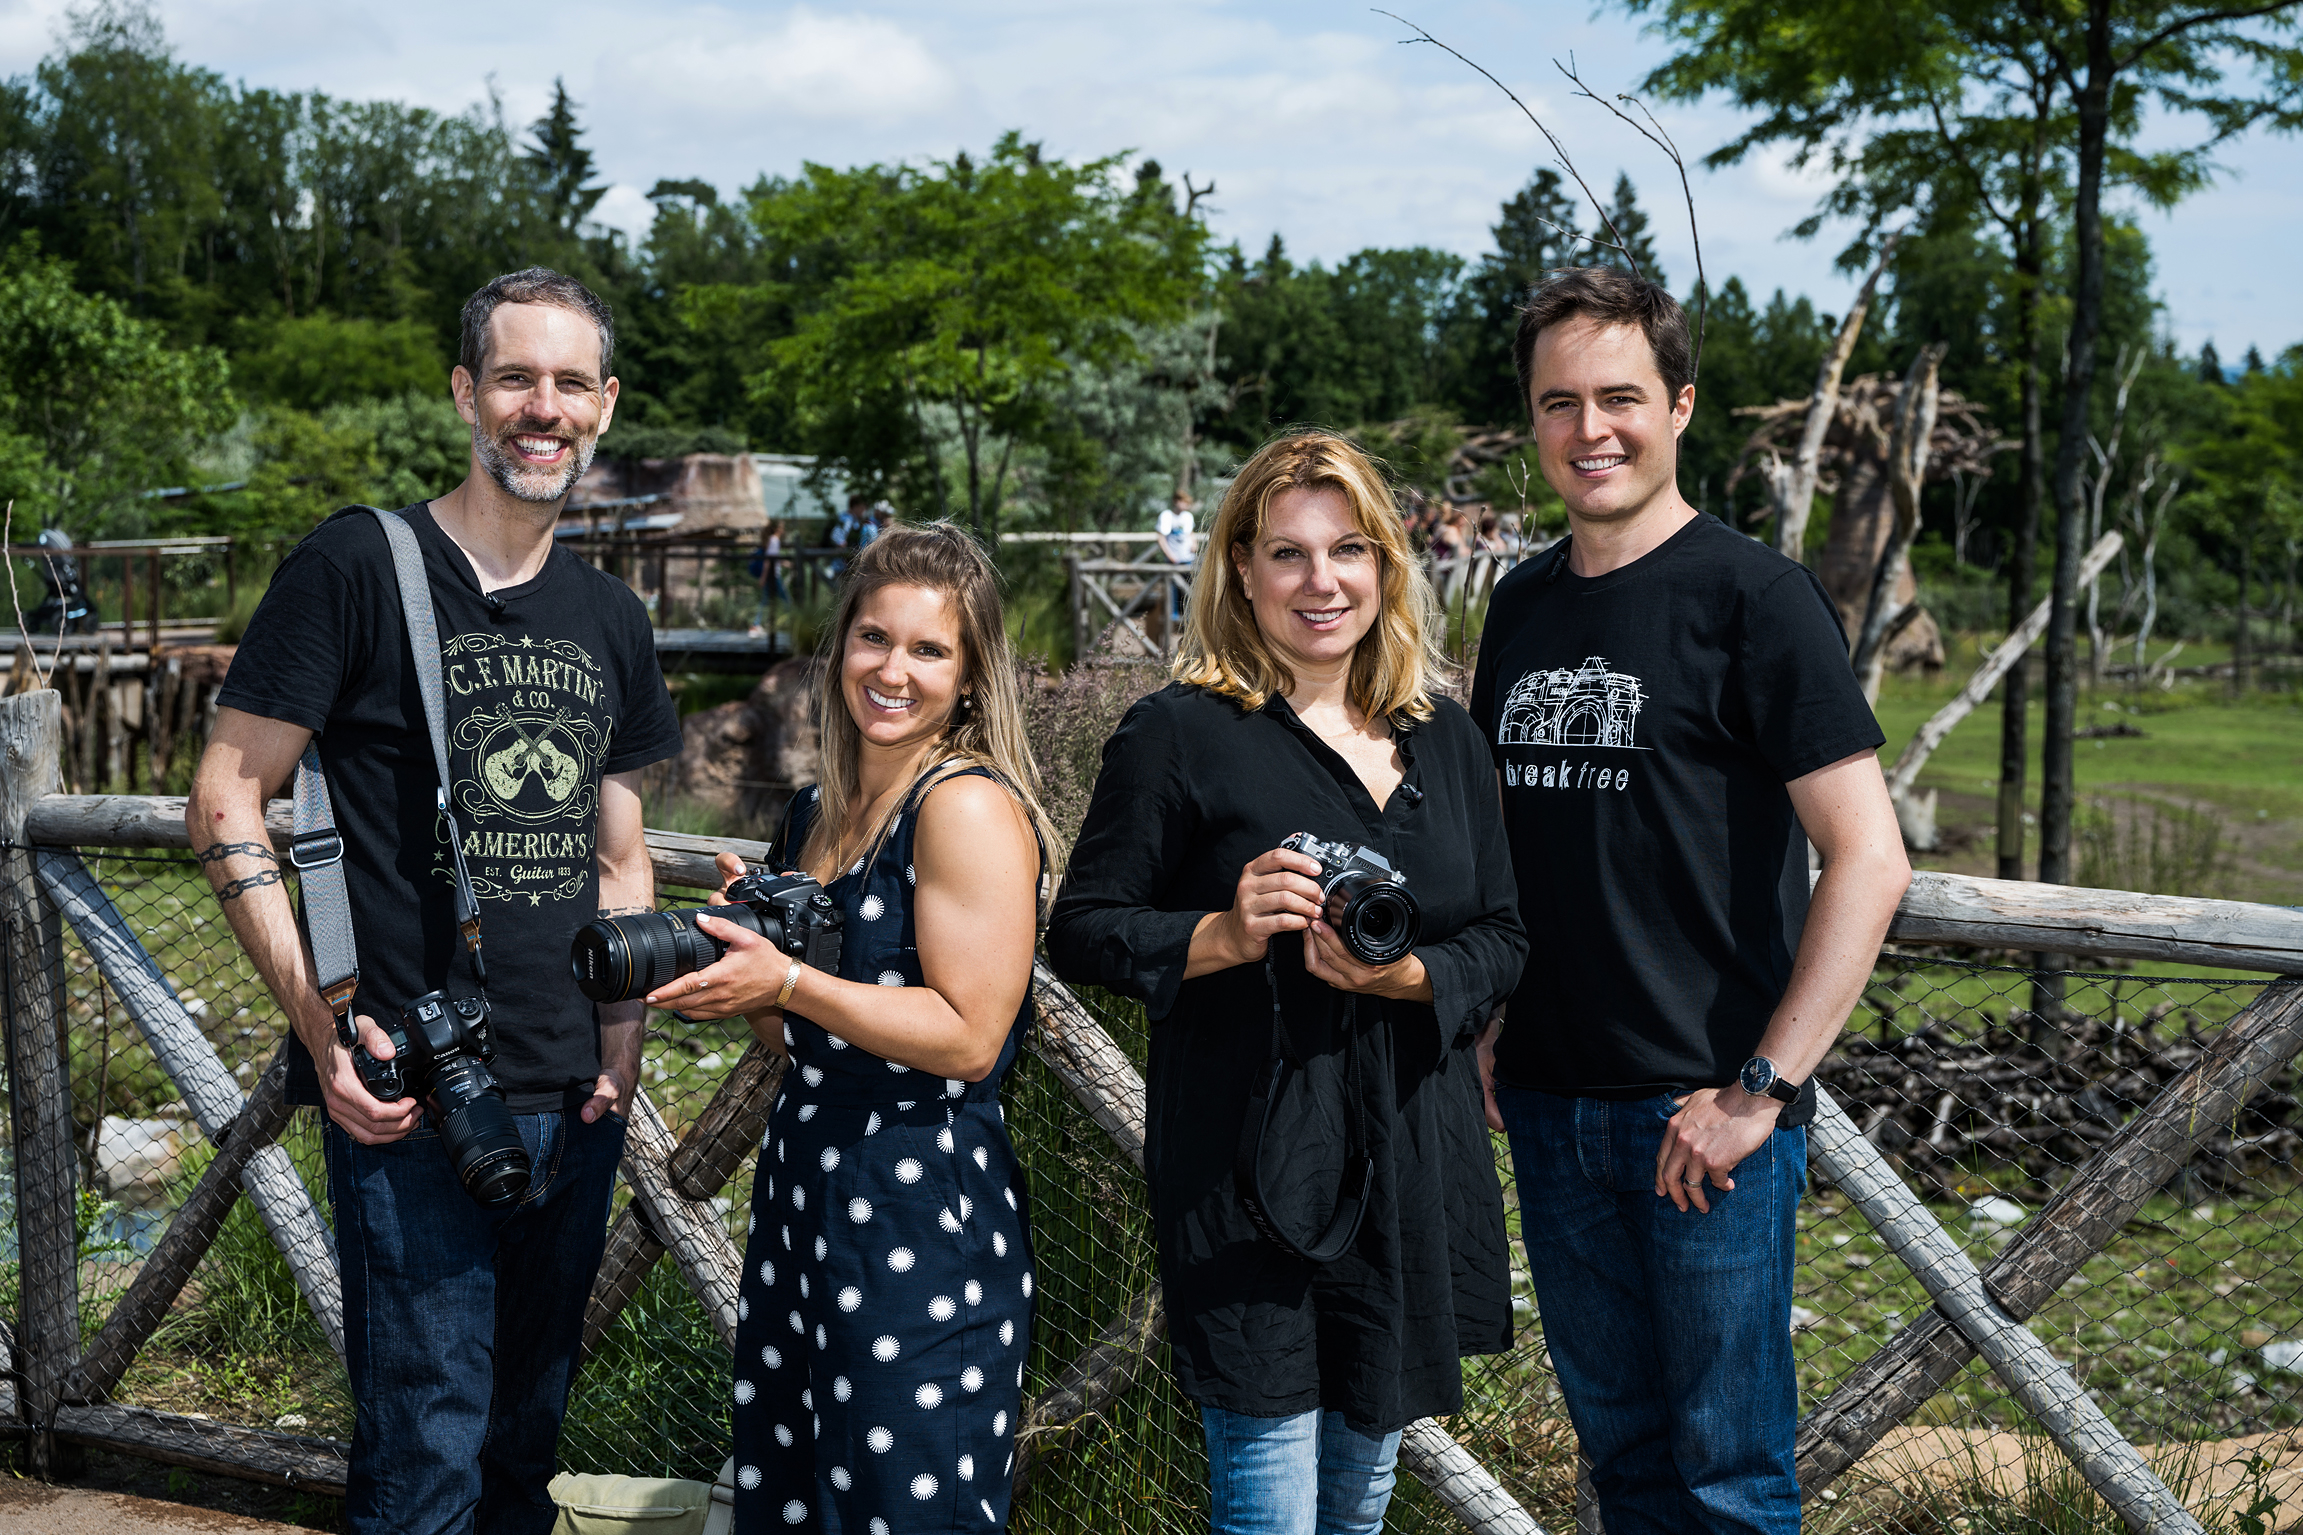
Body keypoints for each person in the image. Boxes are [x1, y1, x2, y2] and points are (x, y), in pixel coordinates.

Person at [187, 268, 683, 1534]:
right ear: (466, 391)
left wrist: (620, 1056)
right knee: (424, 1473)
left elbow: (620, 856)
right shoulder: (360, 562)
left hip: (572, 1096)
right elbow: (229, 798)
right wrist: (320, 1028)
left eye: (571, 383)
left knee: (522, 1457)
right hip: (409, 1091)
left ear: (606, 406)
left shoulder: (612, 618)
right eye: (516, 376)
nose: (543, 407)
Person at [1468, 267, 1911, 1535]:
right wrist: (1495, 1017)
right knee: (1623, 1464)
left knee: (1728, 1480)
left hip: (1700, 1112)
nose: (1588, 429)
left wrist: (1758, 1090)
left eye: (1619, 397)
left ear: (1679, 405)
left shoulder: (1753, 598)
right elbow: (1514, 836)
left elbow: (1868, 858)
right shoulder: (1519, 604)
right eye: (1559, 403)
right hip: (1550, 1104)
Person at [1047, 430, 1527, 1535]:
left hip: (1409, 1149)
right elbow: (1083, 931)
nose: (1322, 582)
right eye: (1288, 554)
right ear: (1239, 571)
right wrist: (1221, 930)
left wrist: (1410, 975)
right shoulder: (1177, 731)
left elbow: (1503, 933)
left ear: (1386, 566)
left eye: (1347, 550)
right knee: (1265, 1504)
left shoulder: (1444, 737)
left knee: (1356, 1504)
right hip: (1247, 1160)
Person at [648, 522, 1061, 1533]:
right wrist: (754, 986)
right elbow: (798, 1046)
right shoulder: (813, 813)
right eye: (873, 637)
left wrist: (789, 975)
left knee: (902, 1505)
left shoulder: (960, 804)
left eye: (929, 648)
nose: (892, 669)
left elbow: (968, 1036)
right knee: (795, 1496)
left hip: (919, 1205)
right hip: (806, 1189)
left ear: (969, 676)